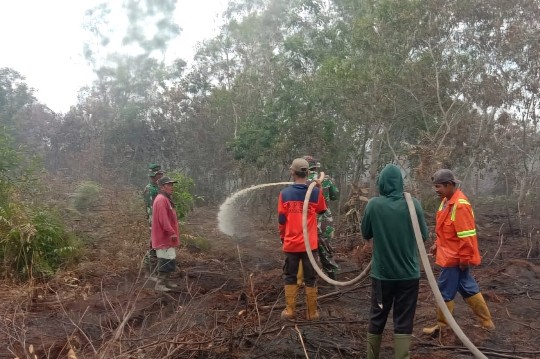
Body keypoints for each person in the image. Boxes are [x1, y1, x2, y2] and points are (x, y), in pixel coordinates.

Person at [360, 164, 429, 359]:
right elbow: (423, 235)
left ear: (381, 183)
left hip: (383, 276)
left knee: (377, 316)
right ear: (400, 182)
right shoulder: (413, 204)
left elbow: (366, 233)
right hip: (409, 276)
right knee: (404, 319)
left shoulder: (373, 204)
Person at [423, 169, 495, 334]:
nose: (436, 190)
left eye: (438, 186)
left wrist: (464, 259)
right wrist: (437, 244)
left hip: (455, 259)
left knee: (444, 291)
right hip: (451, 255)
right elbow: (444, 229)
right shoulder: (446, 201)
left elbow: (467, 237)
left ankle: (442, 325)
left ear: (449, 185)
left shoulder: (460, 206)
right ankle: (487, 323)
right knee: (468, 287)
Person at [278, 158, 327, 320]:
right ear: (307, 173)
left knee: (290, 276)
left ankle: (290, 311)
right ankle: (312, 313)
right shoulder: (315, 192)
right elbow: (321, 210)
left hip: (291, 244)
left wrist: (283, 238)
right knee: (310, 277)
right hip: (309, 245)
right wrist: (318, 189)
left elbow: (281, 220)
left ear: (292, 172)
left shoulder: (285, 194)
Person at [304, 155, 340, 281]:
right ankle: (332, 279)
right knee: (326, 248)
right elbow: (335, 197)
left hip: (308, 219)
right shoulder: (326, 180)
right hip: (325, 218)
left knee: (309, 249)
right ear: (315, 166)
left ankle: (310, 280)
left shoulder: (302, 180)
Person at [151, 176, 181, 292]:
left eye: (172, 185)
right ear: (162, 187)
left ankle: (166, 282)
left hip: (167, 237)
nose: (172, 187)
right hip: (163, 237)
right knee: (165, 260)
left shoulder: (165, 198)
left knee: (170, 259)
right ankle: (160, 284)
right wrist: (171, 232)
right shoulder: (161, 200)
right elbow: (163, 220)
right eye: (169, 185)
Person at [142, 163, 164, 280]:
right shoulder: (150, 190)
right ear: (154, 176)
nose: (161, 176)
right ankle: (148, 272)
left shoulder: (158, 188)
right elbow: (151, 209)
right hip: (154, 221)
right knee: (153, 246)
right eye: (159, 175)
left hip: (159, 221)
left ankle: (156, 271)